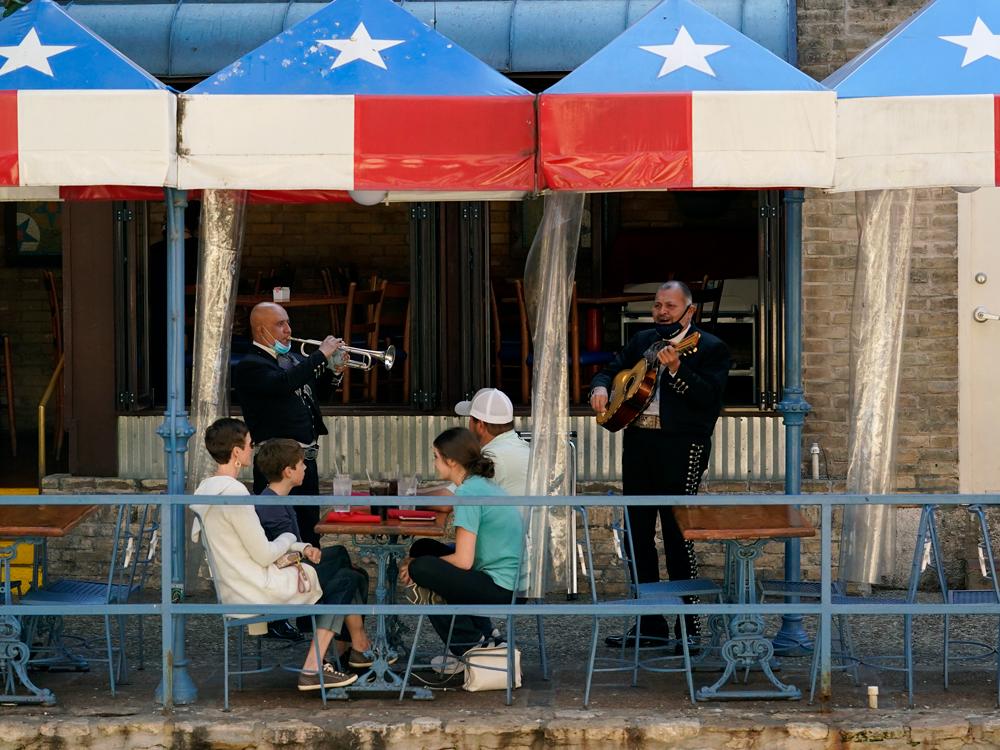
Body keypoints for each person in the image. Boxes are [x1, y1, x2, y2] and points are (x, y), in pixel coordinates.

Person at [589, 281, 730, 649]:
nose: (662, 312)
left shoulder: (711, 347)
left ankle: (689, 629)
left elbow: (709, 400)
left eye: (670, 306)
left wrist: (678, 370)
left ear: (689, 311)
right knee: (637, 535)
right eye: (657, 305)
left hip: (682, 447)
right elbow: (610, 370)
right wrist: (600, 388)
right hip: (639, 443)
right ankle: (649, 624)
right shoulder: (643, 340)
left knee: (677, 535)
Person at [190, 417, 358, 691]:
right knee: (347, 579)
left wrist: (297, 547)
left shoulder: (206, 490)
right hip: (256, 588)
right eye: (249, 444)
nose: (252, 449)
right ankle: (316, 666)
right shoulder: (235, 494)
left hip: (235, 586)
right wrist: (291, 539)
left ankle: (349, 651)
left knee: (341, 573)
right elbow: (264, 554)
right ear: (236, 452)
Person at [399, 427, 524, 663]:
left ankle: (472, 646)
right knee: (423, 549)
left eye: (436, 457)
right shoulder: (479, 484)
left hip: (503, 588)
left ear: (452, 461)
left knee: (421, 568)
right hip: (507, 578)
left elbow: (463, 561)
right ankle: (486, 634)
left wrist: (415, 565)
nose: (434, 463)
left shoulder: (468, 493)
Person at [254, 438, 380, 667]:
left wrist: (306, 549)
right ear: (288, 471)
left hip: (293, 567)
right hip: (286, 575)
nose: (305, 467)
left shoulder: (274, 498)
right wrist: (305, 551)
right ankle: (356, 645)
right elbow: (282, 550)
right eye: (301, 463)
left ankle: (350, 647)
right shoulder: (271, 505)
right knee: (350, 576)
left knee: (349, 564)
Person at [233, 302, 345, 548]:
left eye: (288, 322)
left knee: (310, 532)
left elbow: (315, 396)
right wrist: (320, 356)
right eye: (280, 324)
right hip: (276, 464)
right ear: (261, 330)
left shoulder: (292, 360)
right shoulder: (250, 365)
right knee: (281, 531)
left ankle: (310, 570)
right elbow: (282, 384)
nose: (288, 330)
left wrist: (334, 371)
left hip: (304, 462)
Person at [422, 388, 530, 499]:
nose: (468, 424)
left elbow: (450, 499)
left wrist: (412, 496)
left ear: (480, 425)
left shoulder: (490, 457)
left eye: (470, 419)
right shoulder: (525, 449)